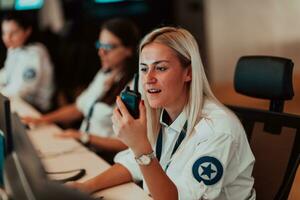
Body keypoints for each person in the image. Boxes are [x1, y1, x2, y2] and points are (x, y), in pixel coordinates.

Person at [67, 27, 256, 200]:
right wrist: (85, 187)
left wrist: (141, 147)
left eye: (161, 68)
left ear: (188, 73)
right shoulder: (160, 115)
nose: (148, 79)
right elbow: (131, 164)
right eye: (143, 68)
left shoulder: (218, 130)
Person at [23, 18, 140, 154]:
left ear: (129, 50)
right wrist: (42, 119)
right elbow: (79, 108)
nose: (101, 52)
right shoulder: (105, 73)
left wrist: (84, 137)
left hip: (106, 156)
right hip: (85, 146)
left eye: (109, 47)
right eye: (99, 45)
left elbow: (130, 144)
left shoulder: (135, 88)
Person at [0, 12, 54, 112]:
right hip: (17, 100)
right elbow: (6, 73)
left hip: (36, 108)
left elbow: (22, 89)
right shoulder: (14, 47)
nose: (7, 38)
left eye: (13, 33)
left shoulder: (36, 54)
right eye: (4, 33)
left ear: (27, 31)